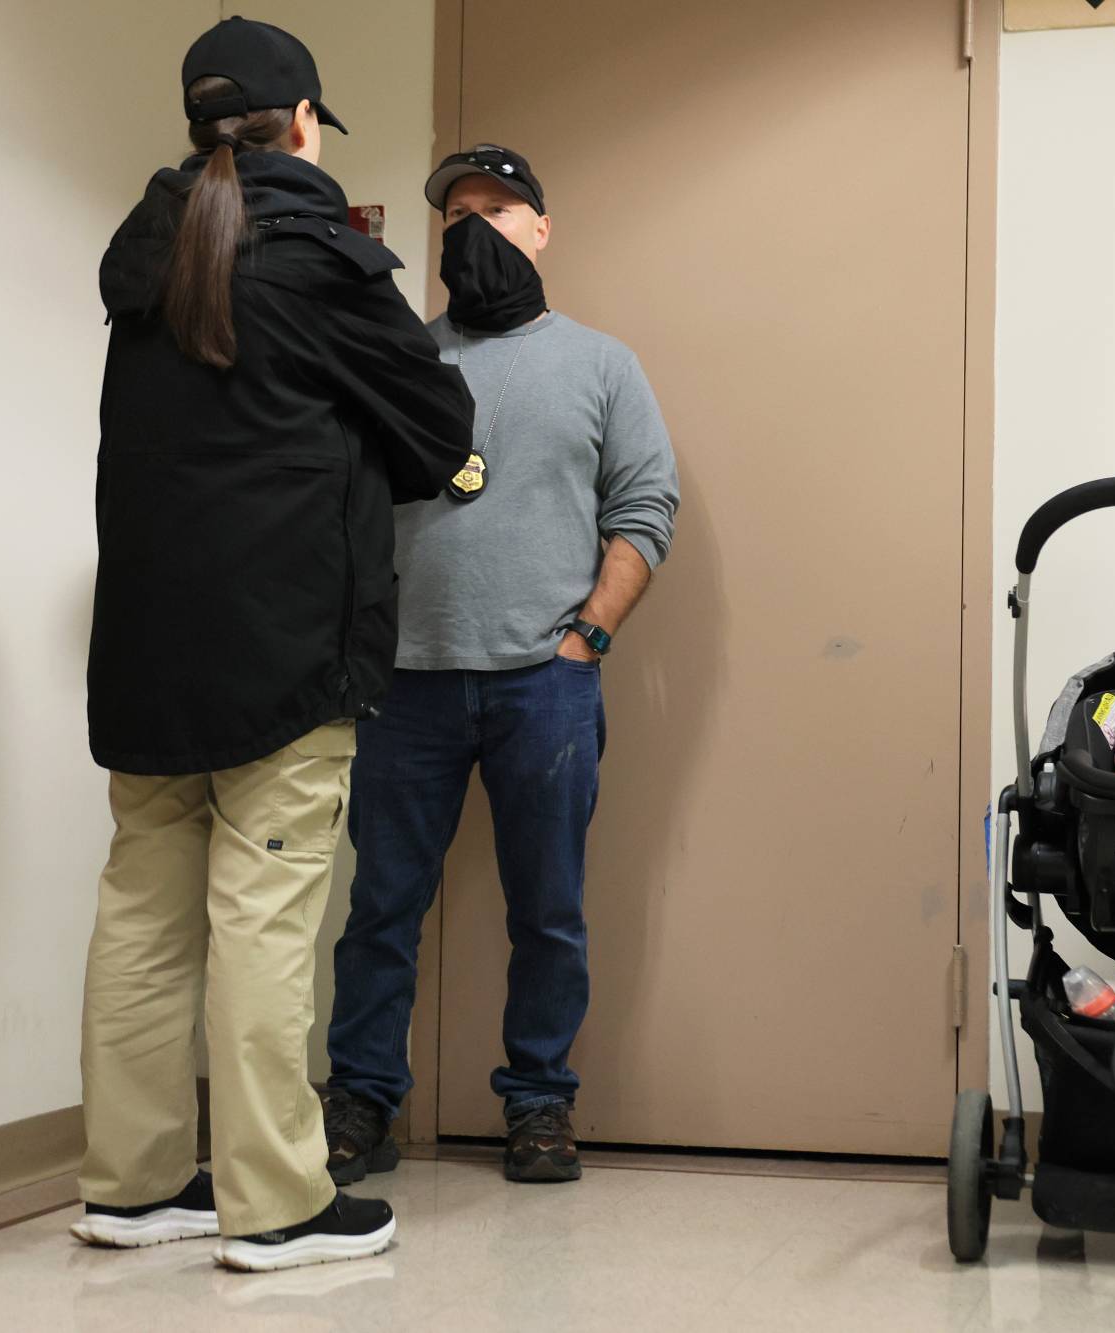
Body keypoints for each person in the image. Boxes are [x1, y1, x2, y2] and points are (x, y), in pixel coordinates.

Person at [72, 17, 473, 1273]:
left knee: (142, 912)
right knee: (264, 917)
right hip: (283, 648)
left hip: (144, 647)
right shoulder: (321, 261)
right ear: (303, 122)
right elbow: (438, 421)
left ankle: (130, 1186)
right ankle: (277, 1201)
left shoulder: (146, 256)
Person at [321, 144, 679, 1186]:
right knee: (382, 907)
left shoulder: (603, 364)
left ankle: (537, 1105)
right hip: (406, 685)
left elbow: (646, 508)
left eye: (497, 208)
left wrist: (587, 639)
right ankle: (360, 1104)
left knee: (548, 909)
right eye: (456, 212)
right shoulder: (401, 357)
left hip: (545, 686)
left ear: (540, 229)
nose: (473, 226)